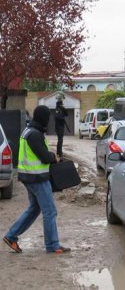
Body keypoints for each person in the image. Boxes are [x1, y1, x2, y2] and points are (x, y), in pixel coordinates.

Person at [3, 105, 71, 254]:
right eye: (47, 118)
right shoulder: (34, 134)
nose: (48, 121)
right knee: (50, 211)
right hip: (37, 178)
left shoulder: (29, 131)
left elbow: (40, 153)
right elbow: (45, 157)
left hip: (30, 177)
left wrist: (51, 155)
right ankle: (52, 245)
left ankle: (11, 236)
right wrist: (54, 157)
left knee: (35, 209)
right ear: (43, 118)